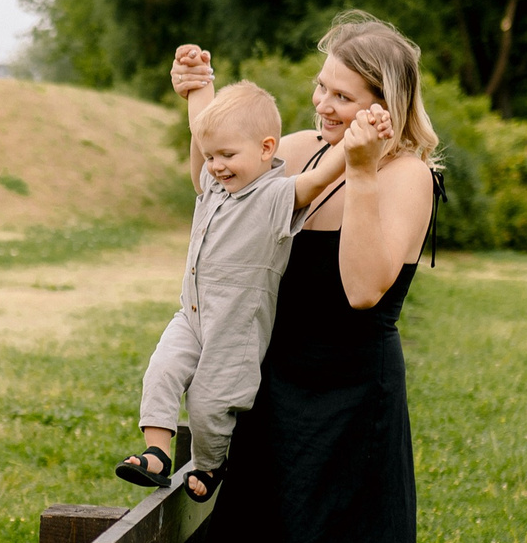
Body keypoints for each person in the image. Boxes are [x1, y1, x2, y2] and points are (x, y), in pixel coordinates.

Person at [157, 11, 440, 543]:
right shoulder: (305, 155)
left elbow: (361, 289)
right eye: (321, 87)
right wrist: (200, 99)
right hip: (281, 399)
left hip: (355, 405)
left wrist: (356, 171)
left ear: (383, 105)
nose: (324, 104)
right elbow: (221, 178)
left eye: (344, 95)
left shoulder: (404, 177)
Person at [114, 46, 352, 502]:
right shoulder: (216, 186)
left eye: (226, 155)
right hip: (194, 314)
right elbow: (204, 125)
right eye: (210, 157)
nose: (216, 165)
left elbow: (316, 182)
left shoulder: (274, 196)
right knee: (161, 371)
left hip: (235, 329)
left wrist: (352, 148)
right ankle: (157, 454)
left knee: (208, 403)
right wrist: (199, 84)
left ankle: (210, 464)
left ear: (266, 149)